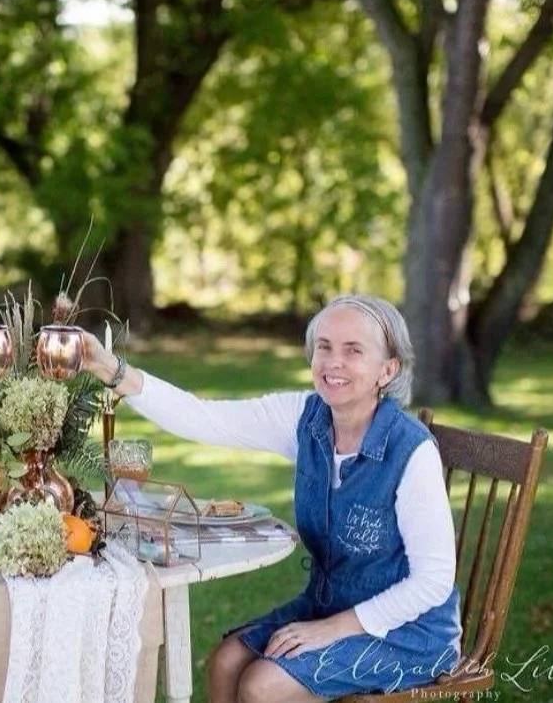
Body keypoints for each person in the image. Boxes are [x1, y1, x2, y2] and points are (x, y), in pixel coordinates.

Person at [80, 295, 461, 702]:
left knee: (263, 686)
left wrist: (332, 629)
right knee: (227, 661)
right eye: (325, 347)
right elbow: (203, 417)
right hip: (329, 605)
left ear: (388, 369)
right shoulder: (305, 418)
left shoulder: (411, 451)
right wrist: (112, 369)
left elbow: (433, 582)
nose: (333, 362)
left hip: (409, 635)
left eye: (354, 351)